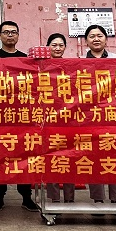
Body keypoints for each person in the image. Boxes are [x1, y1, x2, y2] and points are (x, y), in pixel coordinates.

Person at [0, 21, 38, 212]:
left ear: (18, 36)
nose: (10, 35)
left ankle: (26, 197)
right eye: (6, 32)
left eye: (13, 32)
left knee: (23, 157)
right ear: (0, 35)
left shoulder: (26, 60)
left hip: (22, 117)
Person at [83, 25, 116, 208]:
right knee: (94, 157)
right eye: (92, 36)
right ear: (86, 41)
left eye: (99, 35)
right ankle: (97, 199)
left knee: (115, 156)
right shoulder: (79, 62)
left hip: (113, 115)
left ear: (106, 39)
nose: (96, 39)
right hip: (90, 117)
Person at [45, 33, 75, 203]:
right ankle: (53, 199)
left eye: (61, 45)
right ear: (48, 47)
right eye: (54, 45)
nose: (57, 48)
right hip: (48, 121)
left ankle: (69, 199)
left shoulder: (71, 66)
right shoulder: (41, 67)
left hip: (68, 121)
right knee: (51, 160)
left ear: (65, 47)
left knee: (69, 159)